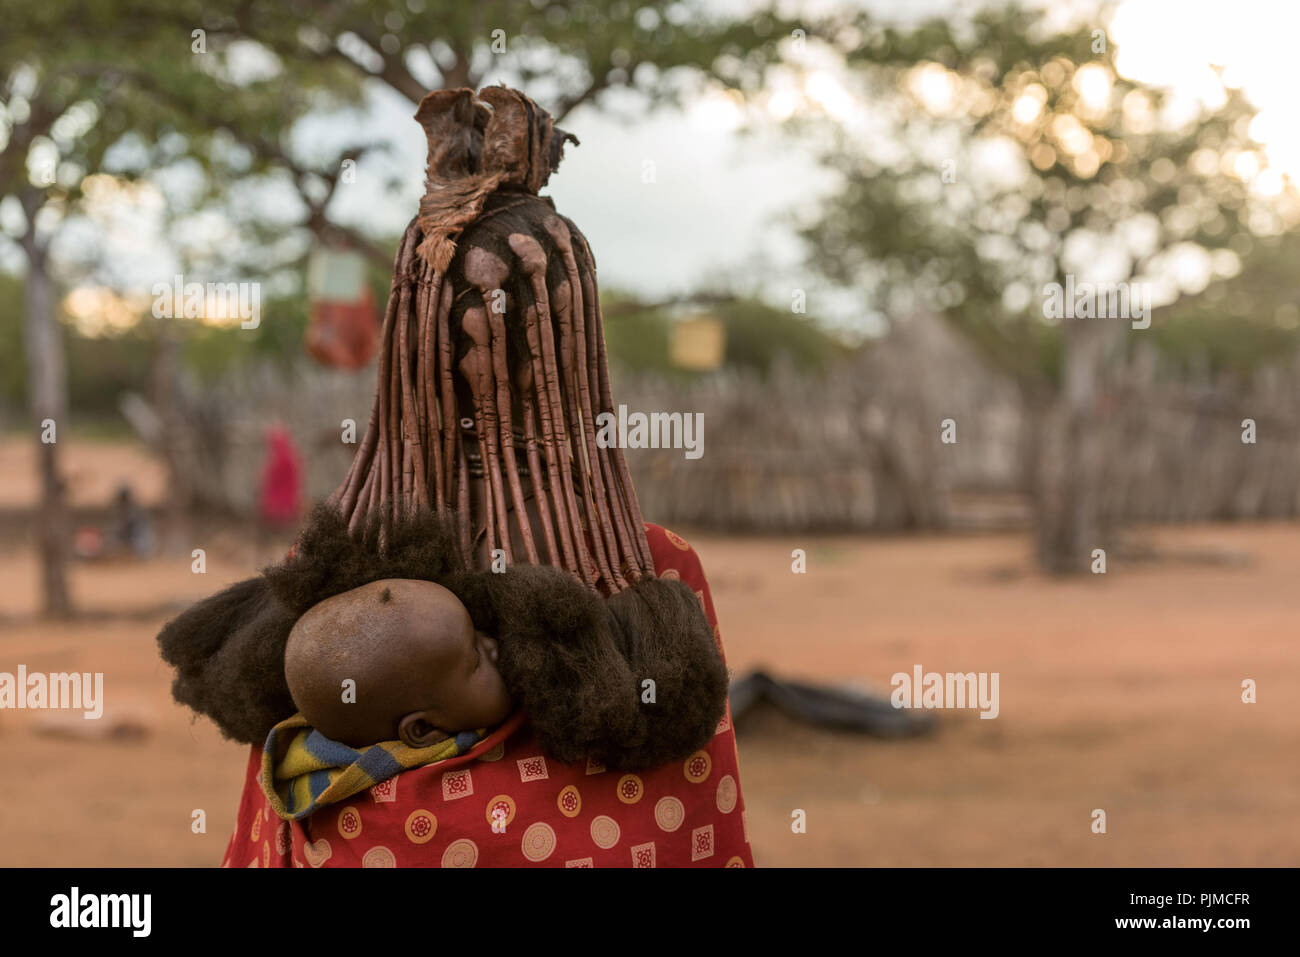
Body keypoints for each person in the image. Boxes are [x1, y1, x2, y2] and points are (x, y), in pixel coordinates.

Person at [157, 85, 755, 867]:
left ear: (406, 345)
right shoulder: (653, 564)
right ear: (572, 354)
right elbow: (683, 829)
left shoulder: (336, 569)